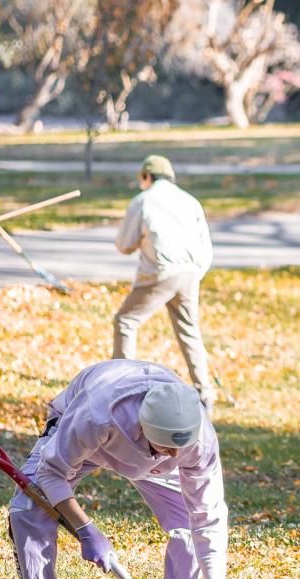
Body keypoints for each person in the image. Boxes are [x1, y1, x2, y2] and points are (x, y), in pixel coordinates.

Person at [7, 359, 232, 579]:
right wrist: (86, 529)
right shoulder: (96, 415)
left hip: (153, 460)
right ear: (144, 428)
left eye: (182, 449)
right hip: (91, 443)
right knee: (27, 510)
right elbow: (52, 473)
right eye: (168, 448)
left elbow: (209, 515)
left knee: (190, 527)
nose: (178, 456)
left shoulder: (197, 439)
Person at [112, 155, 216, 414]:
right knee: (189, 330)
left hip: (160, 272)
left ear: (147, 176)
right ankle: (205, 393)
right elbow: (205, 245)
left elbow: (124, 244)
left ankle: (121, 388)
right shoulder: (191, 201)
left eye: (142, 179)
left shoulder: (144, 201)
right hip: (192, 272)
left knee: (126, 321)